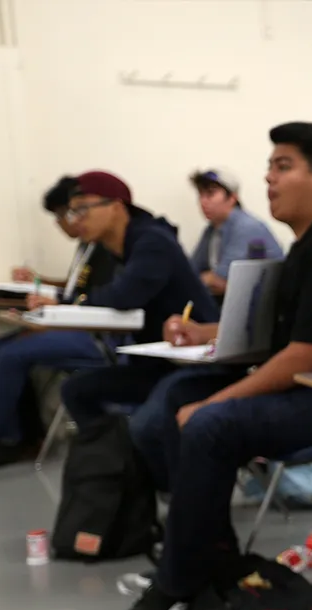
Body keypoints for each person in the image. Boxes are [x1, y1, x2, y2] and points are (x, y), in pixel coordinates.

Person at [100, 121, 312, 610]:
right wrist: (202, 331)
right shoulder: (309, 243)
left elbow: (301, 355)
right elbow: (277, 337)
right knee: (178, 396)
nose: (268, 178)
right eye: (269, 166)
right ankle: (208, 559)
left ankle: (176, 585)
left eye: (283, 166)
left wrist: (214, 404)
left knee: (209, 422)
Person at [0, 177, 118, 470]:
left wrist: (58, 308)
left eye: (64, 214)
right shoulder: (86, 247)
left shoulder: (109, 247)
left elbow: (100, 300)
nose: (61, 223)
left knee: (11, 354)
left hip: (95, 336)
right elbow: (77, 288)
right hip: (72, 322)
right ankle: (11, 436)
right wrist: (43, 286)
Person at [53, 171, 219, 429]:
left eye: (83, 209)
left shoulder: (152, 240)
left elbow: (122, 295)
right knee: (75, 389)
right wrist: (64, 301)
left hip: (194, 363)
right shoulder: (113, 248)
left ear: (116, 206)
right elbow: (101, 294)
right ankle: (114, 460)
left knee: (137, 416)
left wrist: (65, 303)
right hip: (157, 361)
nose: (76, 220)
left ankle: (125, 459)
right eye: (73, 212)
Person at [187, 168, 283, 300]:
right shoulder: (212, 229)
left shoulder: (247, 227)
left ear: (232, 198)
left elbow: (219, 281)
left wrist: (202, 278)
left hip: (266, 307)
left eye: (210, 194)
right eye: (201, 195)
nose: (203, 201)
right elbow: (190, 272)